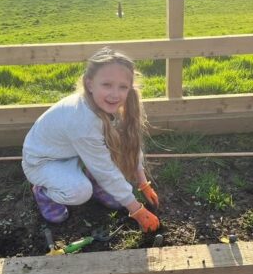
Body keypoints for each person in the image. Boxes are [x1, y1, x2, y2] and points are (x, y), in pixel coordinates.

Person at [22, 47, 160, 233]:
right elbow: (104, 168)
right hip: (44, 161)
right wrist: (136, 210)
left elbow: (130, 146)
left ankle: (93, 181)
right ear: (89, 84)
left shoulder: (112, 106)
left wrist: (143, 184)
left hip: (75, 153)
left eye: (122, 87)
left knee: (113, 173)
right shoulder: (82, 120)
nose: (115, 94)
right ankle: (43, 192)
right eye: (107, 84)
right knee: (79, 193)